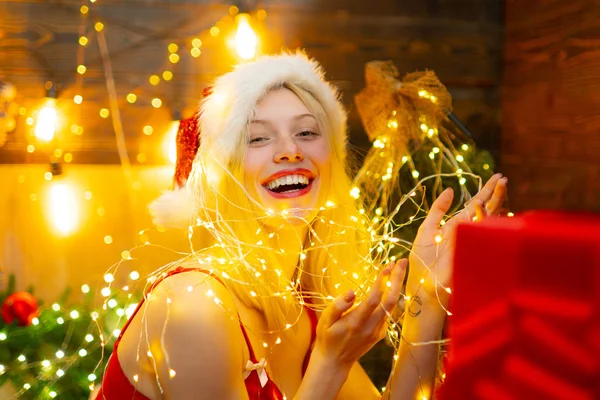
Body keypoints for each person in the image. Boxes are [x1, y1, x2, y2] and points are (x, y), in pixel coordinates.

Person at [95, 51, 507, 399]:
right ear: (222, 174)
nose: (290, 151)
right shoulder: (194, 308)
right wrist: (330, 363)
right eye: (258, 138)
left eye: (307, 132)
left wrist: (427, 296)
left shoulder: (302, 302)